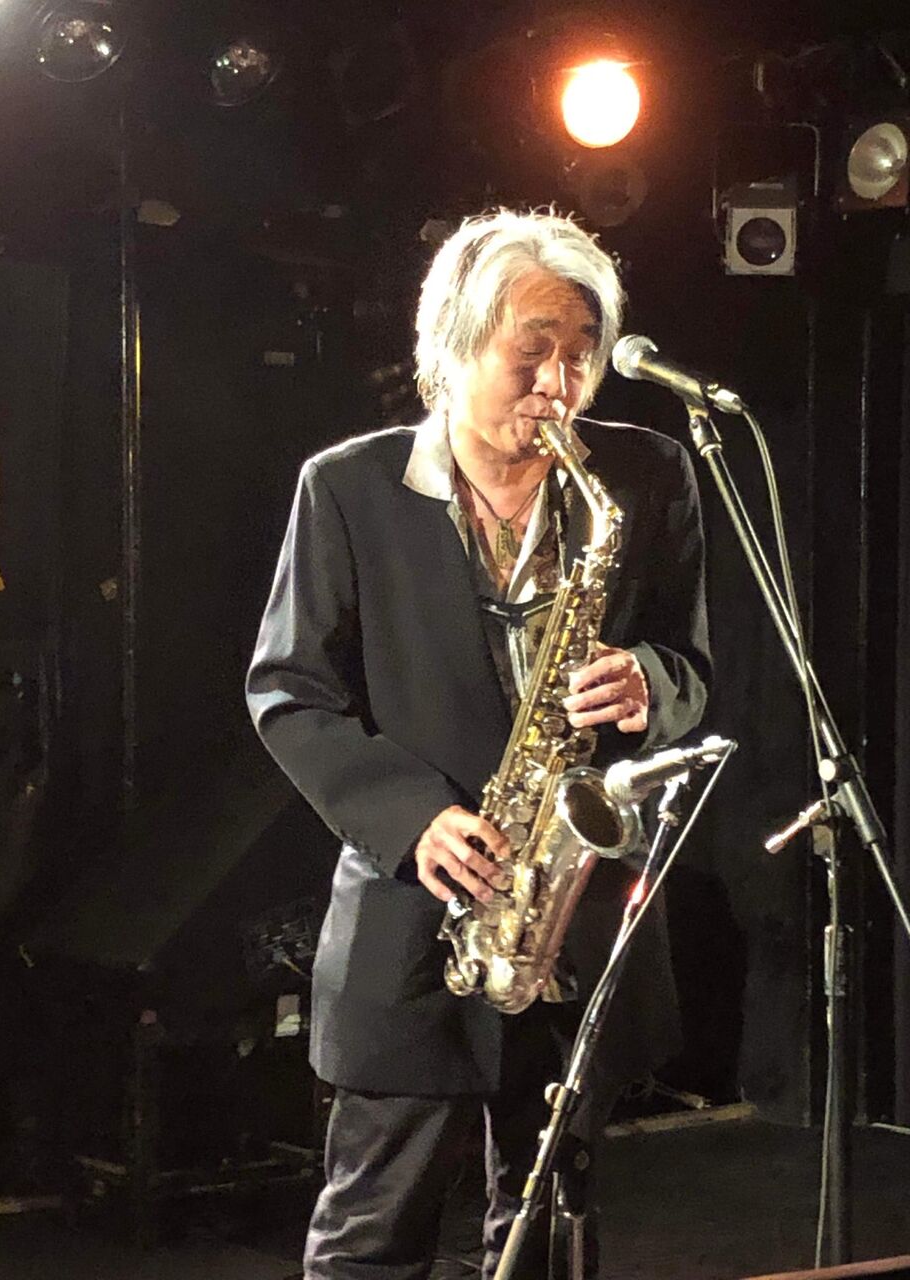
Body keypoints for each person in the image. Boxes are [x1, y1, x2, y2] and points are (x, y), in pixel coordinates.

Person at [246, 208, 711, 1279]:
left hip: (575, 917)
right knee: (372, 1241)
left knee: (545, 1236)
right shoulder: (348, 487)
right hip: (417, 916)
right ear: (454, 346)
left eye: (581, 356)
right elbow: (289, 691)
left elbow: (694, 667)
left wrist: (651, 683)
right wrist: (415, 819)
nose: (559, 386)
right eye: (530, 353)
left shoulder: (646, 476)